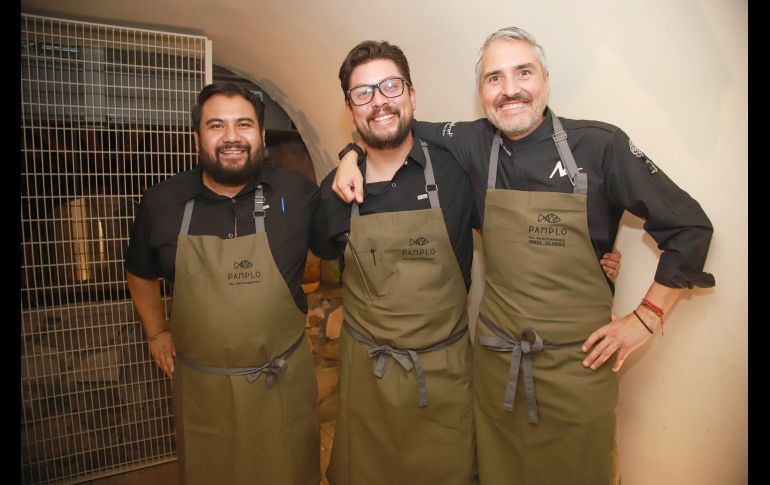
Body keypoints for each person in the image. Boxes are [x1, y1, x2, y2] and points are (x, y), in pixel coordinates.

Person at [332, 27, 714, 484]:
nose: (510, 89)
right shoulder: (471, 142)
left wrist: (647, 317)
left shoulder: (598, 145)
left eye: (523, 73)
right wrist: (350, 153)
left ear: (545, 80)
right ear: (481, 93)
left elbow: (689, 226)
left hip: (580, 368)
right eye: (494, 78)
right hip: (497, 369)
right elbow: (388, 123)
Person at [124, 82, 335, 485]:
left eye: (244, 124)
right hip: (204, 390)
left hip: (282, 384)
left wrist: (350, 160)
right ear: (197, 137)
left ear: (260, 134)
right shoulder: (163, 201)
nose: (232, 137)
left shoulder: (295, 192)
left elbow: (337, 241)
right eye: (216, 125)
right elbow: (140, 270)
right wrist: (156, 332)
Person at [318, 40, 478, 485]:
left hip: (443, 374)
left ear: (411, 93)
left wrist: (597, 252)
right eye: (363, 93)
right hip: (369, 377)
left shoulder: (455, 170)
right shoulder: (336, 189)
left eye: (391, 86)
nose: (380, 101)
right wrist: (348, 156)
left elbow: (506, 233)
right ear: (350, 110)